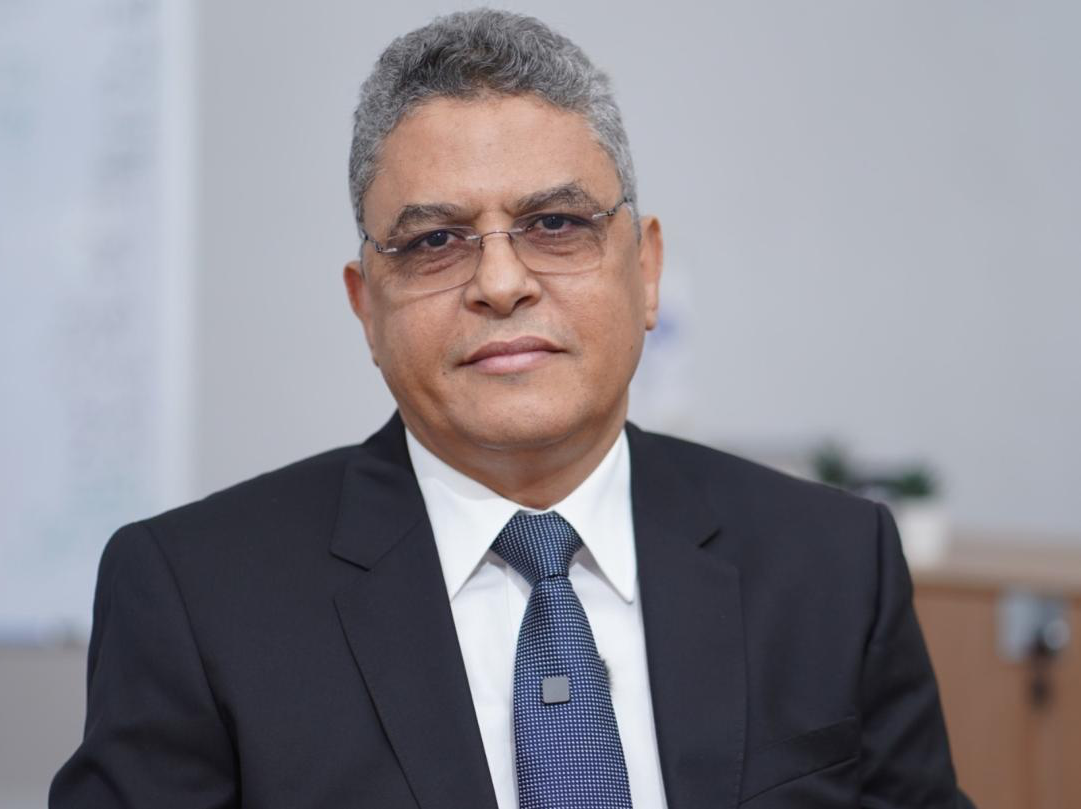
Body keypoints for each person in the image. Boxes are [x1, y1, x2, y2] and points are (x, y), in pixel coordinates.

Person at [50, 9, 975, 808]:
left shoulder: (833, 564)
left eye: (556, 225)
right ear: (366, 306)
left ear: (646, 270)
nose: (500, 282)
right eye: (435, 241)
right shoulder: (196, 598)